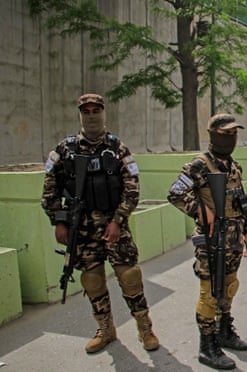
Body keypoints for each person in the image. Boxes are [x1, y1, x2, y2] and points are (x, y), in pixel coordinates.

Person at [41, 93, 159, 353]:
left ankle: (144, 327)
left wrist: (118, 221)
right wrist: (59, 223)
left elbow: (132, 189)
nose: (92, 115)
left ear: (104, 113)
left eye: (96, 110)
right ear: (80, 114)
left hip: (114, 225)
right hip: (81, 229)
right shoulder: (64, 150)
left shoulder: (118, 148)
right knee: (92, 280)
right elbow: (50, 191)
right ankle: (105, 329)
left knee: (129, 276)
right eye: (87, 111)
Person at [167, 113, 247, 370]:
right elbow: (175, 193)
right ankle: (207, 346)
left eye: (233, 133)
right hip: (211, 240)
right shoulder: (199, 165)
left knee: (229, 285)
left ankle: (224, 330)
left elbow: (240, 200)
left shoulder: (234, 166)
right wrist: (200, 211)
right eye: (225, 133)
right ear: (213, 134)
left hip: (234, 239)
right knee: (209, 293)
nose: (230, 138)